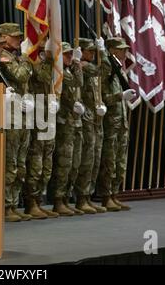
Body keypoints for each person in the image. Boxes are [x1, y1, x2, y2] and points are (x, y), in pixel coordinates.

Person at [0, 23, 34, 222]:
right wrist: (27, 58)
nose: (19, 40)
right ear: (3, 37)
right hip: (10, 117)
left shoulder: (17, 58)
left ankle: (13, 203)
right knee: (10, 164)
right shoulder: (4, 57)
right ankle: (6, 205)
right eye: (15, 37)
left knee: (21, 164)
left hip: (23, 115)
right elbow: (21, 75)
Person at [98, 37, 135, 211]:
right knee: (110, 160)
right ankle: (106, 196)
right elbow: (102, 97)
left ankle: (114, 193)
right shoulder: (107, 68)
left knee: (120, 161)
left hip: (121, 122)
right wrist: (120, 97)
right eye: (121, 49)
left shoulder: (119, 69)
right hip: (110, 122)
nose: (124, 52)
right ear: (112, 50)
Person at [24, 38, 59, 219]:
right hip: (37, 116)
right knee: (36, 164)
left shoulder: (46, 61)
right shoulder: (31, 60)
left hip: (47, 115)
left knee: (47, 164)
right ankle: (31, 203)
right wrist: (47, 57)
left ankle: (39, 200)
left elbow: (50, 82)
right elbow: (42, 76)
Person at [50, 42, 85, 216]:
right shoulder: (58, 72)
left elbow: (79, 83)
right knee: (63, 163)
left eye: (72, 55)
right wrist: (78, 64)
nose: (70, 58)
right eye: (67, 55)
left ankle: (65, 198)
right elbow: (78, 81)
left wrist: (76, 64)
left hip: (73, 123)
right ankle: (57, 199)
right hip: (62, 123)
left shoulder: (69, 70)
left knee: (74, 163)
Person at [74, 38, 108, 214]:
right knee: (87, 159)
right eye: (90, 51)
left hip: (96, 117)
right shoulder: (84, 66)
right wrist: (103, 53)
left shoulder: (89, 67)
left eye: (95, 51)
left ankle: (88, 196)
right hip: (86, 117)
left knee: (95, 158)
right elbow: (104, 70)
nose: (93, 54)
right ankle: (81, 197)